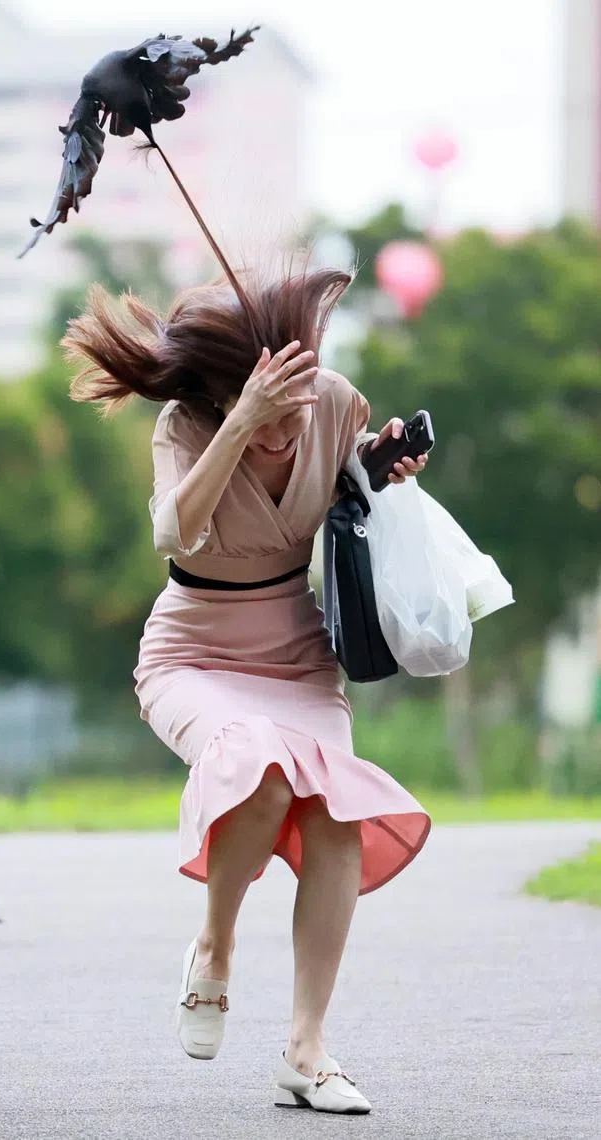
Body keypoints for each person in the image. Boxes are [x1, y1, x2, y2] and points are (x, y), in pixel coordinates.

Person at [62, 265, 432, 1115]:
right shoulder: (186, 425)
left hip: (297, 653)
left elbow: (346, 489)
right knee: (259, 771)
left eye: (291, 413)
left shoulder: (337, 401)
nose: (282, 436)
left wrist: (379, 467)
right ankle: (215, 951)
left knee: (335, 815)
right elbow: (175, 528)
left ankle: (307, 1051)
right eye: (267, 416)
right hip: (194, 650)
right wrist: (242, 422)